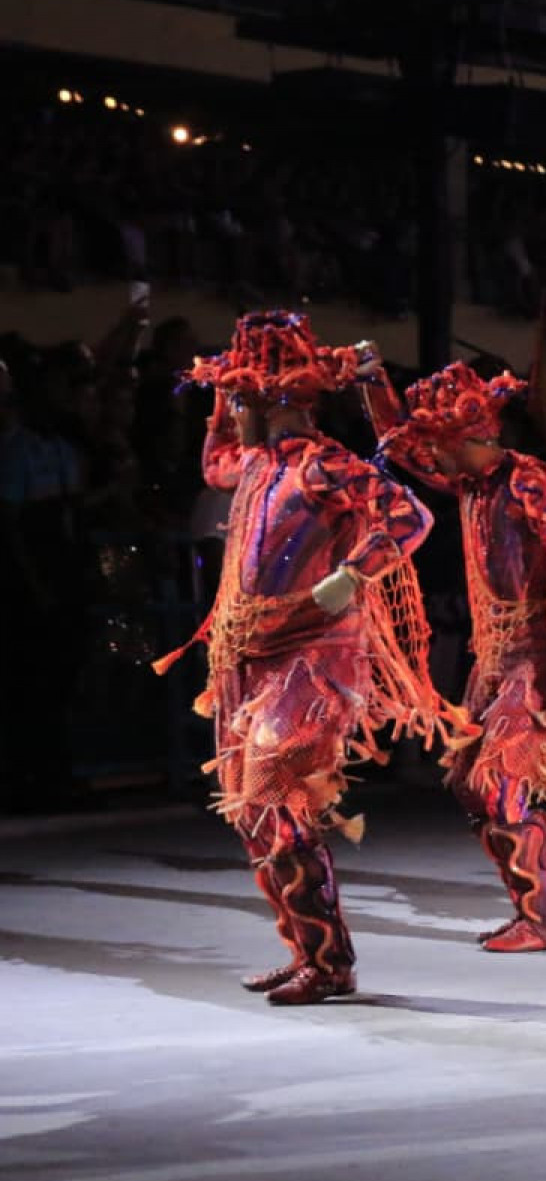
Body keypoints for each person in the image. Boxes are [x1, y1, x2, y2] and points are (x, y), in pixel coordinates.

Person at [156, 311, 449, 1004]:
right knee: (256, 815)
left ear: (272, 401)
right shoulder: (257, 463)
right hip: (248, 654)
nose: (233, 412)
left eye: (241, 399)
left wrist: (354, 570)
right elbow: (213, 463)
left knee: (274, 803)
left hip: (312, 653)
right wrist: (219, 403)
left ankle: (329, 962)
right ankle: (312, 951)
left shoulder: (323, 462)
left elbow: (411, 516)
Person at [359, 352, 546, 953]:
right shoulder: (469, 483)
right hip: (492, 656)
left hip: (534, 657)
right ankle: (530, 910)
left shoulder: (525, 479)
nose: (429, 457)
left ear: (468, 436)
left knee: (498, 780)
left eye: (437, 444)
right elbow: (397, 446)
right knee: (469, 783)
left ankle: (545, 919)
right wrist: (372, 381)